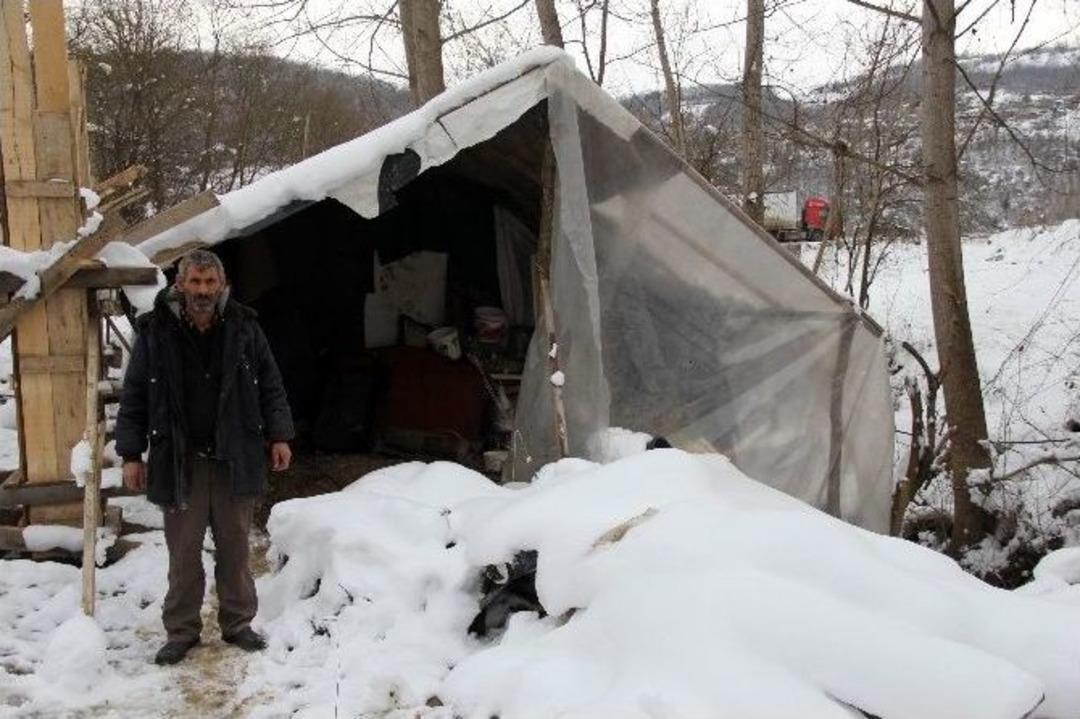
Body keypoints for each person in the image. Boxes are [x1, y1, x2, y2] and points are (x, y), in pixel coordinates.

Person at [115, 249, 295, 666]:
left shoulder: (246, 328)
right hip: (180, 460)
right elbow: (136, 395)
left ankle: (237, 623)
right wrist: (130, 453)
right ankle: (181, 631)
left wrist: (280, 434)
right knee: (184, 552)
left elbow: (271, 384)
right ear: (179, 285)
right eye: (194, 283)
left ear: (222, 284)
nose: (202, 291)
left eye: (210, 283)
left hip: (235, 455)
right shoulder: (155, 331)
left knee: (235, 548)